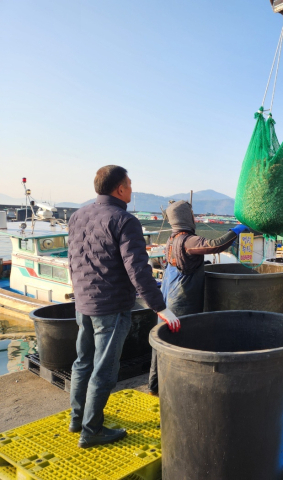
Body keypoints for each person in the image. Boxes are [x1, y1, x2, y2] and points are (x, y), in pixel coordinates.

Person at [68, 165, 180, 449]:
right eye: (129, 185)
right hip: (111, 306)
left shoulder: (77, 215)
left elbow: (74, 260)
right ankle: (91, 430)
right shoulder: (124, 220)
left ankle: (77, 419)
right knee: (104, 369)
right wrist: (160, 307)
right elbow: (138, 270)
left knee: (83, 361)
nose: (131, 189)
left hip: (83, 302)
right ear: (119, 189)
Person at [148, 200, 249, 395]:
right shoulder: (187, 241)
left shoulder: (171, 239)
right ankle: (177, 388)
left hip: (166, 299)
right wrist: (236, 230)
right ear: (186, 217)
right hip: (181, 303)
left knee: (161, 344)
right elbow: (215, 245)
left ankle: (155, 387)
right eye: (192, 214)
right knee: (180, 345)